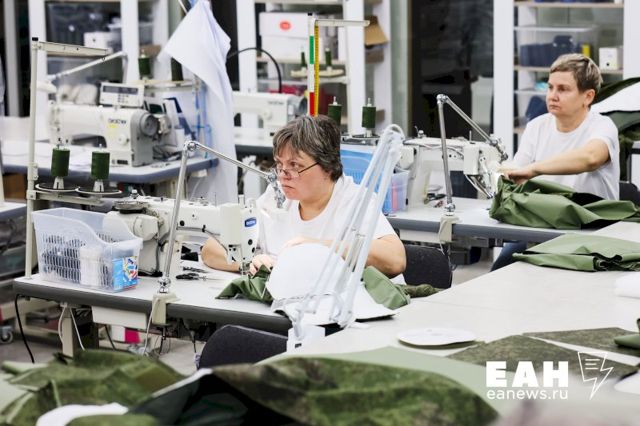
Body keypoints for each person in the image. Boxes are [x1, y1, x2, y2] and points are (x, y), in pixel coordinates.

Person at [201, 114, 406, 279]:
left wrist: (319, 247)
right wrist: (248, 263)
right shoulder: (277, 196)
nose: (283, 175)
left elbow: (396, 260)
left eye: (295, 165)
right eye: (279, 164)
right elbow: (210, 248)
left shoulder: (354, 201)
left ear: (327, 166)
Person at [493, 53, 620, 270]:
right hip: (542, 228)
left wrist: (533, 170)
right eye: (550, 87)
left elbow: (590, 158)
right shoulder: (537, 127)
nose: (552, 96)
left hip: (591, 233)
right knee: (499, 273)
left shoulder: (602, 126)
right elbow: (515, 177)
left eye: (563, 89)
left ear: (588, 97)